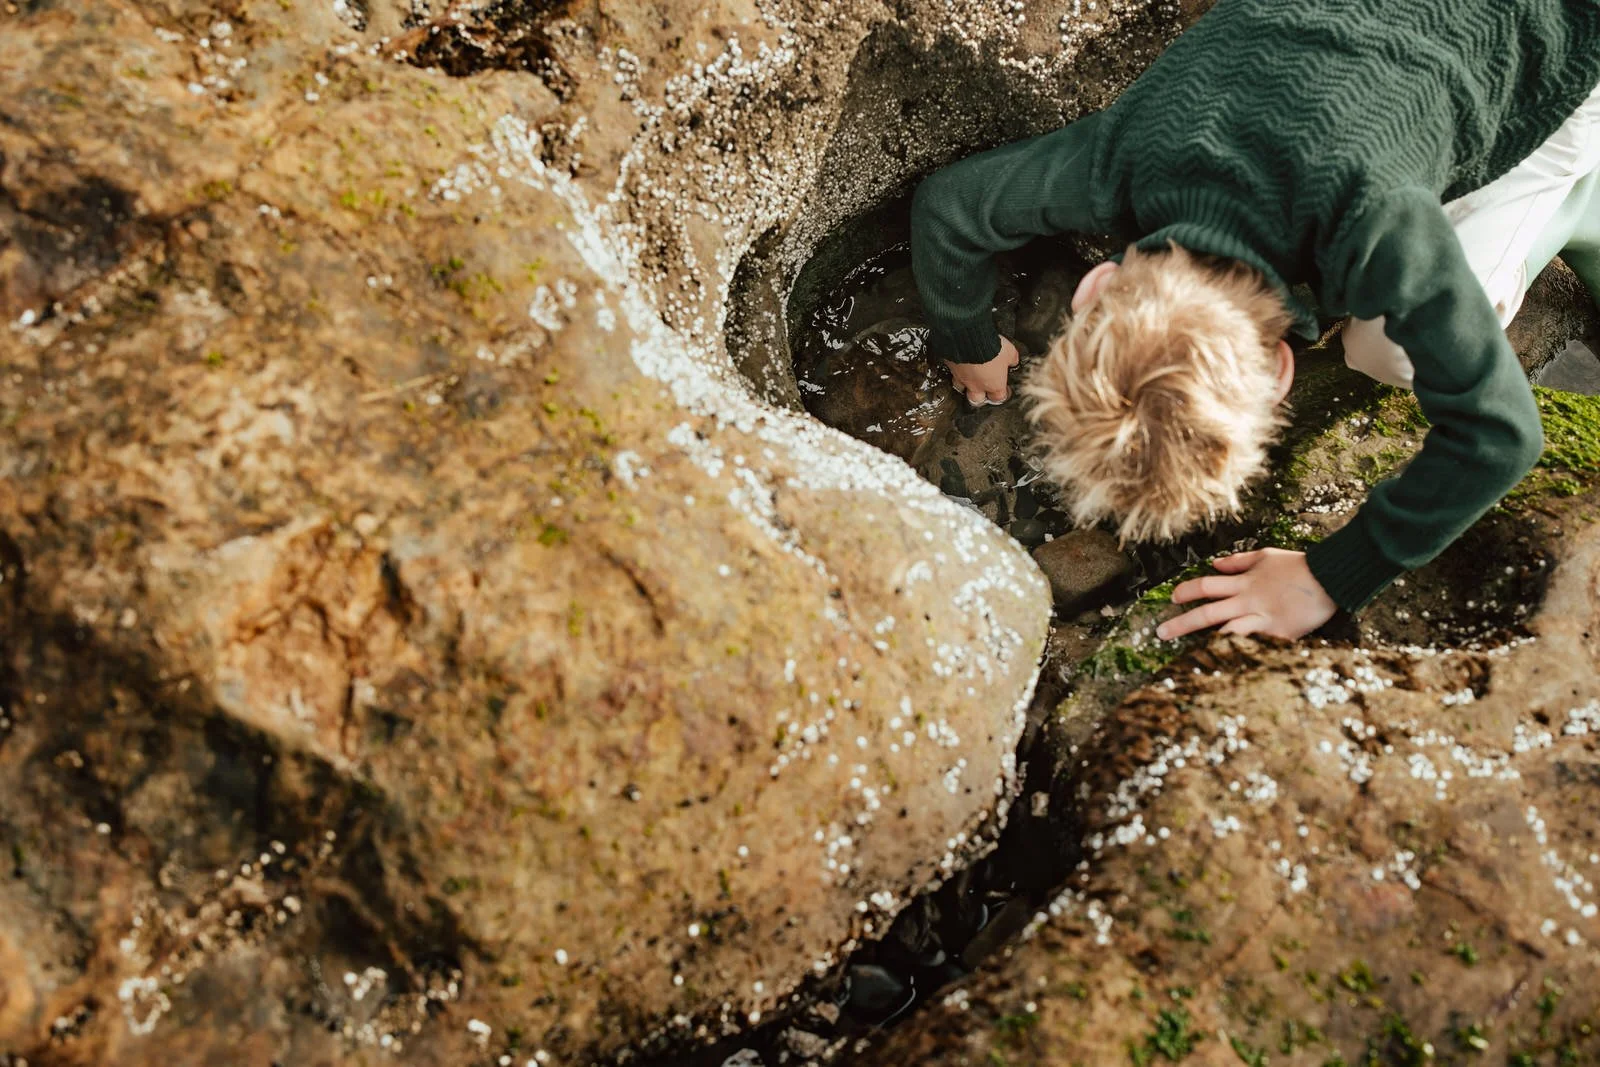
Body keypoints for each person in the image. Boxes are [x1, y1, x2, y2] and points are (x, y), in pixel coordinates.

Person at [910, 0, 1600, 640]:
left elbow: (1500, 437)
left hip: (1567, 40)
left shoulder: (1380, 228)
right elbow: (950, 206)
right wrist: (966, 336)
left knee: (1385, 351)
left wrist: (1330, 576)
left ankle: (1580, 211)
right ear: (1095, 289)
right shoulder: (1126, 153)